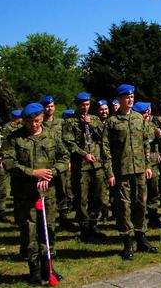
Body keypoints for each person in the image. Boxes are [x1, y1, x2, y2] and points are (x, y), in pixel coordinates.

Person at [2, 103, 67, 285]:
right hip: (25, 194)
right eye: (29, 122)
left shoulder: (52, 136)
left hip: (48, 192)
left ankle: (49, 267)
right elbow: (8, 162)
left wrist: (51, 172)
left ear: (42, 118)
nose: (34, 125)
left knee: (49, 229)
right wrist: (32, 172)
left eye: (37, 121)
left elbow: (64, 158)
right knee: (29, 231)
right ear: (23, 121)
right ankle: (35, 270)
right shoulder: (15, 138)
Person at [102, 84, 158, 261]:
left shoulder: (139, 118)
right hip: (121, 171)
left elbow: (145, 144)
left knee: (140, 203)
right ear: (119, 99)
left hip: (140, 169)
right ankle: (127, 242)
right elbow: (105, 148)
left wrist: (148, 165)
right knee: (124, 207)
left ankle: (141, 237)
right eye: (126, 96)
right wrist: (109, 172)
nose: (130, 99)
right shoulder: (112, 122)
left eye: (132, 96)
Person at [62, 92, 112, 241]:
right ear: (77, 105)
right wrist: (84, 154)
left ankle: (93, 222)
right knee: (81, 198)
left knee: (99, 196)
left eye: (88, 104)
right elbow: (69, 143)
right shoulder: (69, 122)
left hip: (97, 164)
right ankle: (84, 226)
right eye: (82, 105)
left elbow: (104, 137)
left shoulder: (96, 119)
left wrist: (91, 124)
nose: (85, 107)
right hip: (81, 166)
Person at [40, 95, 74, 230]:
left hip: (60, 161)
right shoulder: (39, 123)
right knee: (49, 191)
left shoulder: (61, 123)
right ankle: (48, 221)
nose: (50, 108)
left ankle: (63, 218)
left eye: (52, 106)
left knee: (63, 188)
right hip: (45, 162)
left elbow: (67, 141)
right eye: (47, 106)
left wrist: (68, 160)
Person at [133, 102, 161, 228]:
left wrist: (159, 138)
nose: (148, 113)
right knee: (140, 193)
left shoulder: (151, 125)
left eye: (148, 111)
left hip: (153, 162)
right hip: (140, 163)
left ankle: (153, 216)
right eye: (146, 112)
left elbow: (156, 142)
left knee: (154, 191)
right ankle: (140, 219)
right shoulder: (135, 126)